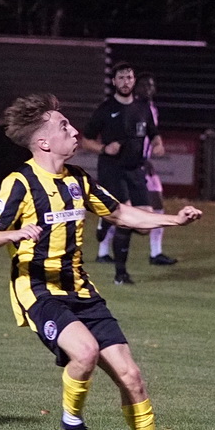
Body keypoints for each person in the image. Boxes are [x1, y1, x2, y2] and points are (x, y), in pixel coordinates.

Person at [0, 93, 202, 430]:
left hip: (82, 291)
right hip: (39, 291)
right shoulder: (20, 183)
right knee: (85, 352)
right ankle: (72, 419)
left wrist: (173, 220)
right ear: (44, 142)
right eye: (65, 126)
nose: (75, 130)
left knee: (131, 375)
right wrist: (12, 235)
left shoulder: (79, 179)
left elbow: (122, 213)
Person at [80, 61, 165, 285]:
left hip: (135, 170)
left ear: (133, 81)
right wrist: (103, 149)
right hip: (112, 169)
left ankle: (107, 220)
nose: (125, 82)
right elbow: (85, 140)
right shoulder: (106, 109)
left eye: (129, 77)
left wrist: (158, 144)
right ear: (114, 81)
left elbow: (154, 133)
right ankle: (121, 274)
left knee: (145, 226)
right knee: (126, 217)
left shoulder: (142, 108)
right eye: (121, 78)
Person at [97, 73, 177, 266]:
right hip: (130, 166)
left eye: (151, 85)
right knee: (125, 210)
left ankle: (155, 253)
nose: (148, 89)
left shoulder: (150, 108)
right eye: (143, 85)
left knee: (155, 206)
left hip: (143, 164)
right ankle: (104, 248)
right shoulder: (132, 108)